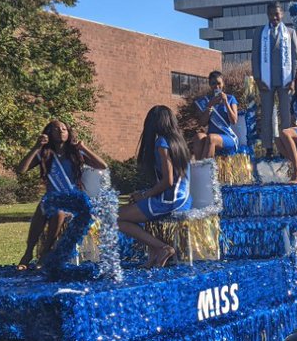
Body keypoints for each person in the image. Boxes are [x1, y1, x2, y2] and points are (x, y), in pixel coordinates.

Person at [15, 119, 107, 270]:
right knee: (43, 209)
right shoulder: (45, 153)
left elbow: (102, 165)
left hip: (73, 199)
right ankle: (28, 252)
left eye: (64, 129)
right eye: (56, 129)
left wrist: (84, 147)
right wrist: (36, 147)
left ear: (68, 132)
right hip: (52, 198)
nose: (61, 131)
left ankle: (45, 252)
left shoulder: (76, 152)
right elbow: (21, 170)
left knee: (57, 213)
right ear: (49, 133)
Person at [118, 106, 193, 268]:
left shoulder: (162, 142)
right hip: (183, 197)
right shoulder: (179, 141)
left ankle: (162, 248)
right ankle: (154, 253)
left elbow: (168, 181)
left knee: (117, 218)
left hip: (170, 199)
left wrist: (144, 195)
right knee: (128, 210)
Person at [251, 2, 297, 157]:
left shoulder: (290, 32)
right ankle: (268, 148)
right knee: (266, 115)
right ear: (267, 14)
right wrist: (258, 78)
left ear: (282, 14)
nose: (274, 17)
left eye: (277, 14)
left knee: (286, 115)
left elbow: (296, 59)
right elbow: (255, 57)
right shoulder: (260, 32)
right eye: (271, 14)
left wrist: (294, 79)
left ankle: (286, 146)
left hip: (285, 80)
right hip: (266, 81)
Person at [189, 71, 239, 159]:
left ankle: (207, 169)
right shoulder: (204, 101)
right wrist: (210, 105)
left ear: (223, 83)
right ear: (209, 85)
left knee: (211, 138)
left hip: (228, 137)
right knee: (199, 137)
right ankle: (199, 167)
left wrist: (226, 102)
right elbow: (203, 123)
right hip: (211, 135)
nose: (216, 86)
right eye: (213, 83)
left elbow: (234, 121)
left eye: (219, 83)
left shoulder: (230, 99)